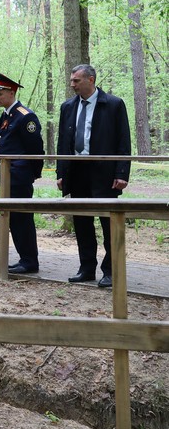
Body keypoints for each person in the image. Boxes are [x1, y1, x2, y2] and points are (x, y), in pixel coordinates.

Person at [57, 64, 131, 288]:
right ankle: (86, 268)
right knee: (82, 222)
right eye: (71, 80)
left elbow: (123, 141)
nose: (72, 84)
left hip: (105, 172)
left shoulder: (113, 104)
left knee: (109, 223)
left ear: (90, 80)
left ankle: (111, 271)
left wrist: (121, 172)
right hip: (76, 171)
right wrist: (61, 172)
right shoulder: (67, 106)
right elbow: (63, 143)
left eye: (76, 81)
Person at [0, 72, 44, 274]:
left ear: (11, 93)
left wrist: (32, 173)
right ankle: (24, 258)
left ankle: (30, 261)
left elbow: (35, 149)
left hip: (20, 177)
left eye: (0, 93)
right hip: (8, 177)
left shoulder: (25, 116)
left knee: (22, 219)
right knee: (13, 219)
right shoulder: (6, 116)